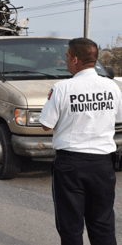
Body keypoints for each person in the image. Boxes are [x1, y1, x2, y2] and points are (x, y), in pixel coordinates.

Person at [40, 37, 122, 245]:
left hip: (71, 166)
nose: (66, 60)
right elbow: (118, 119)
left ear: (75, 59)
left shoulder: (61, 88)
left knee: (71, 228)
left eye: (67, 56)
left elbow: (46, 125)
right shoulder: (112, 87)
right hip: (103, 165)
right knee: (103, 224)